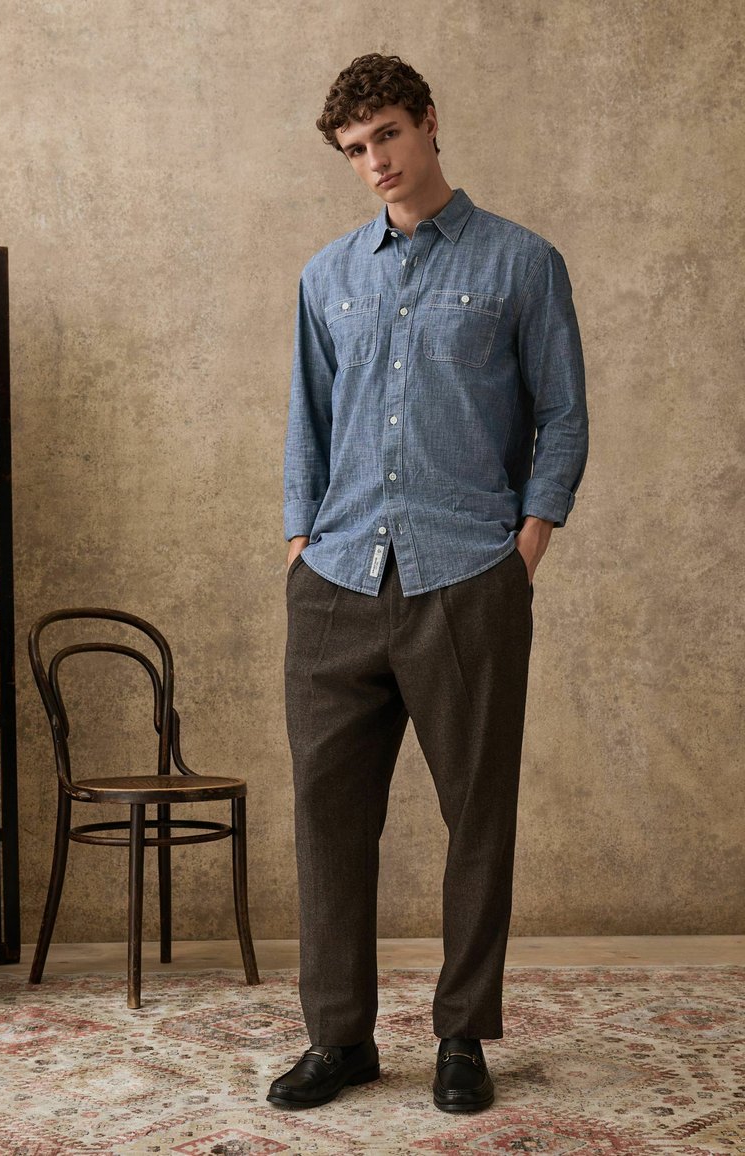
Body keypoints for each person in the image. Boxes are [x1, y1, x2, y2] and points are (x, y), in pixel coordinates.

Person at [268, 52, 589, 1113]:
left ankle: (461, 1036)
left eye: (387, 138)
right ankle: (339, 1039)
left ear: (428, 124)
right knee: (326, 820)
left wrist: (523, 549)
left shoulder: (519, 264)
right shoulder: (325, 277)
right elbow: (304, 425)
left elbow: (560, 415)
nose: (375, 165)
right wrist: (296, 544)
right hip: (336, 582)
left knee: (476, 818)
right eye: (355, 151)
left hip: (467, 578)